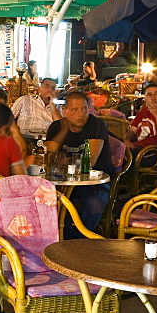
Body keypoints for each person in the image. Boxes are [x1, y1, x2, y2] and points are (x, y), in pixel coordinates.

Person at [45, 91, 114, 235]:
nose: (80, 114)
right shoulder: (56, 127)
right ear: (65, 111)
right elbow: (49, 159)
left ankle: (78, 239)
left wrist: (63, 160)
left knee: (95, 203)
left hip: (94, 182)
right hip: (62, 182)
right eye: (75, 110)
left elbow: (88, 162)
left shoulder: (96, 125)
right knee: (44, 200)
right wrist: (63, 130)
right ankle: (54, 237)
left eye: (84, 109)